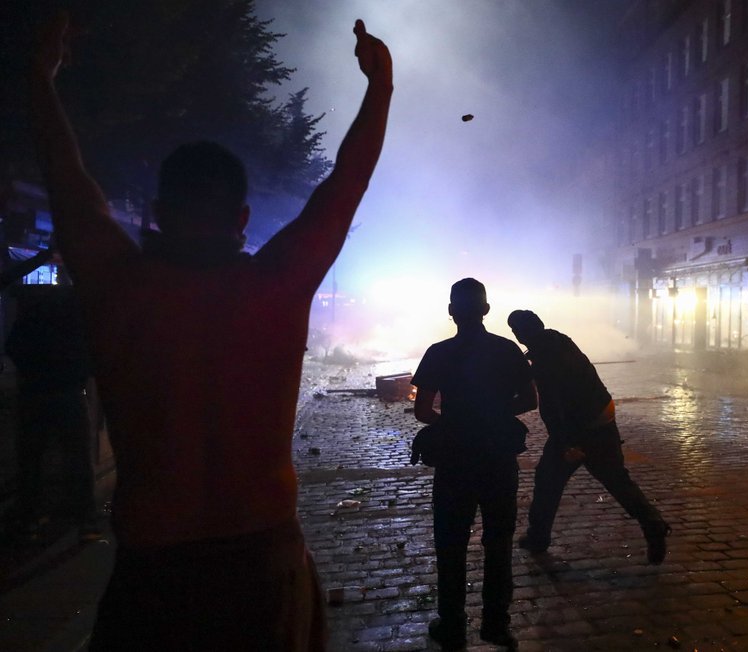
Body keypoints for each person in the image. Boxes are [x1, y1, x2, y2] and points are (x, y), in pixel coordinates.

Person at [30, 12, 391, 650]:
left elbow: (71, 187)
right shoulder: (274, 287)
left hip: (153, 574)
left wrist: (41, 80)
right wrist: (380, 87)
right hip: (263, 561)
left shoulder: (123, 288)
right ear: (244, 218)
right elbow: (345, 185)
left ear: (161, 215)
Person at [412, 278, 537, 651]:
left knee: (450, 544)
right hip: (498, 459)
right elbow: (530, 400)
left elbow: (422, 411)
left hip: (454, 462)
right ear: (486, 310)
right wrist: (494, 415)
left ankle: (451, 623)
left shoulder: (437, 353)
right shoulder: (506, 350)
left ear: (452, 311)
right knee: (498, 542)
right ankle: (496, 625)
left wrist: (453, 423)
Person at [507, 310, 671, 565]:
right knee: (617, 480)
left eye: (515, 329)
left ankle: (538, 537)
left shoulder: (543, 358)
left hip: (578, 428)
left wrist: (566, 444)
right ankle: (653, 524)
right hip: (602, 419)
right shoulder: (560, 341)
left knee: (548, 480)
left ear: (519, 333)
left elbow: (552, 407)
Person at [4, 281, 101, 542]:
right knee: (78, 456)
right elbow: (90, 356)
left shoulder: (32, 319)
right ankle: (86, 518)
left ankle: (30, 517)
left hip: (34, 393)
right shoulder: (75, 321)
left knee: (31, 459)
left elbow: (13, 348)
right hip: (69, 392)